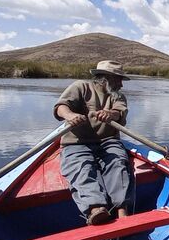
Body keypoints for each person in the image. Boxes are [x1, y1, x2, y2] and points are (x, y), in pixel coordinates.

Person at [54, 60, 133, 226]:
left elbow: (119, 112)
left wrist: (111, 114)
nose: (121, 85)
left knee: (118, 163)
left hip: (108, 140)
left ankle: (122, 209)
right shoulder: (81, 86)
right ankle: (96, 208)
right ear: (106, 78)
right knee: (82, 167)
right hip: (77, 142)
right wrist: (70, 116)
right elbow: (61, 107)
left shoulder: (118, 96)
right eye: (118, 80)